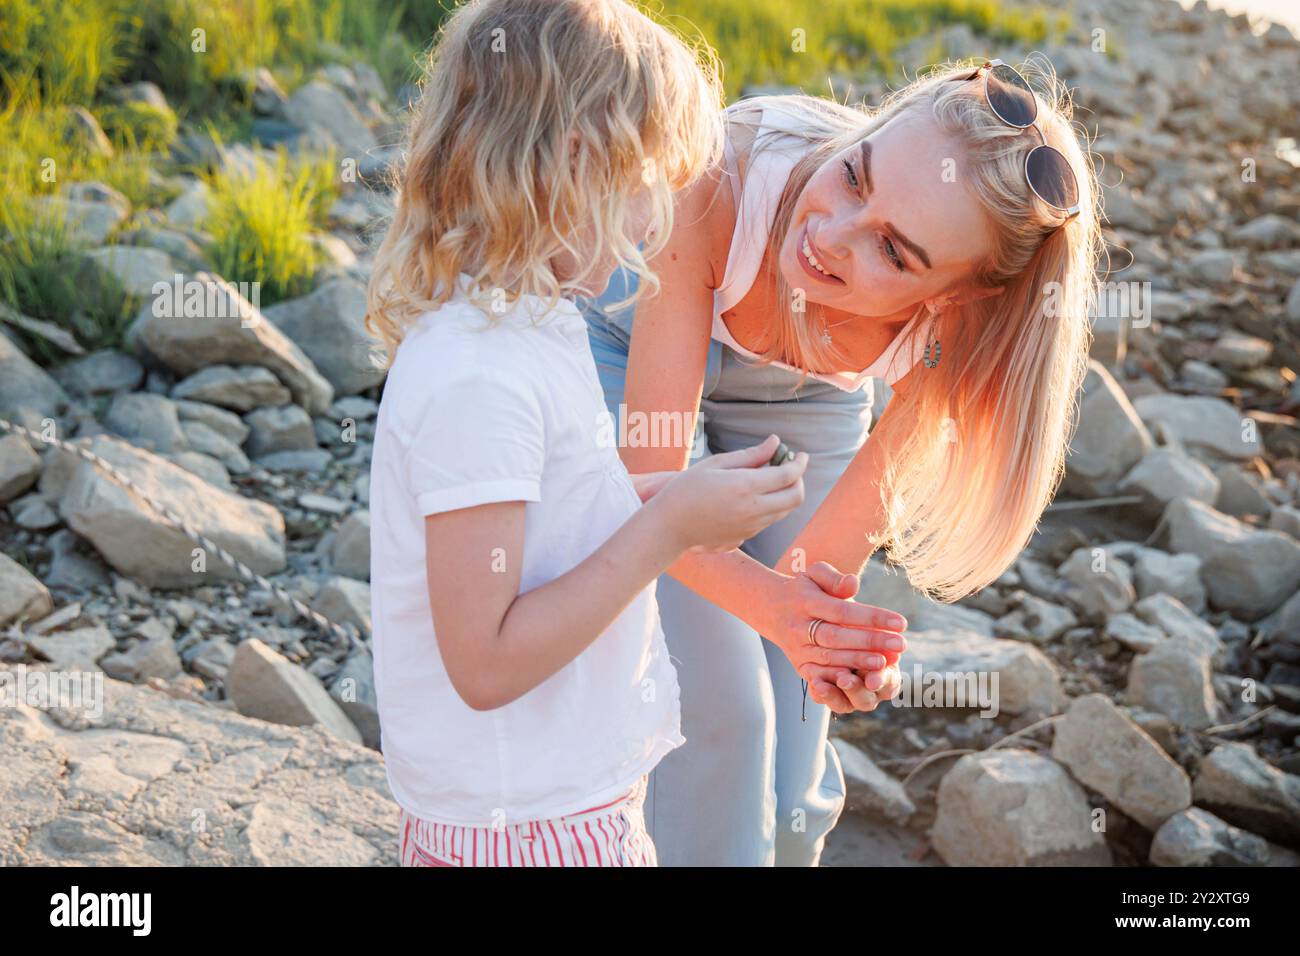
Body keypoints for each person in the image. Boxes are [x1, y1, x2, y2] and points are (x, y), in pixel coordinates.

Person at [363, 0, 900, 868]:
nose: (659, 223)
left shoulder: (536, 327)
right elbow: (485, 660)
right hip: (521, 829)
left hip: (572, 802)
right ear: (578, 161)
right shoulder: (477, 379)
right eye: (653, 180)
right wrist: (665, 527)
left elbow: (564, 517)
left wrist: (679, 501)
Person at [580, 58, 1102, 865]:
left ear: (954, 298)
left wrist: (826, 647)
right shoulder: (720, 173)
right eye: (854, 176)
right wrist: (781, 615)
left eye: (893, 251)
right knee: (720, 704)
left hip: (803, 396)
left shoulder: (965, 330)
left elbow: (808, 584)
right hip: (627, 333)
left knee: (792, 716)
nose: (830, 234)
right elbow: (653, 494)